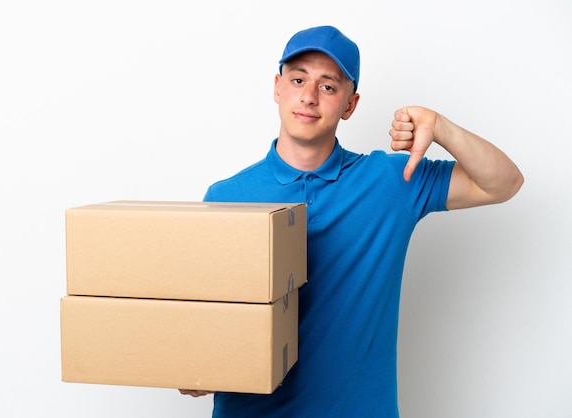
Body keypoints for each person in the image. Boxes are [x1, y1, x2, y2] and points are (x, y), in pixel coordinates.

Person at [179, 25, 523, 417]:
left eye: (328, 86)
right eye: (297, 80)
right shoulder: (226, 197)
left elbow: (504, 183)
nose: (308, 97)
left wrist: (439, 126)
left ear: (350, 104)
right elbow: (202, 323)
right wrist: (193, 366)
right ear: (277, 87)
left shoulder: (393, 181)